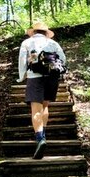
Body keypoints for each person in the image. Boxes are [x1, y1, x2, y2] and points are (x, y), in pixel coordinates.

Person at [17, 21, 66, 160]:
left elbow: (22, 61)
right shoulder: (54, 44)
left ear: (34, 32)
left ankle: (40, 139)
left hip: (35, 78)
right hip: (52, 78)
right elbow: (63, 59)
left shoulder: (27, 43)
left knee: (35, 109)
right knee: (45, 106)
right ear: (46, 33)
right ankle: (43, 134)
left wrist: (22, 77)